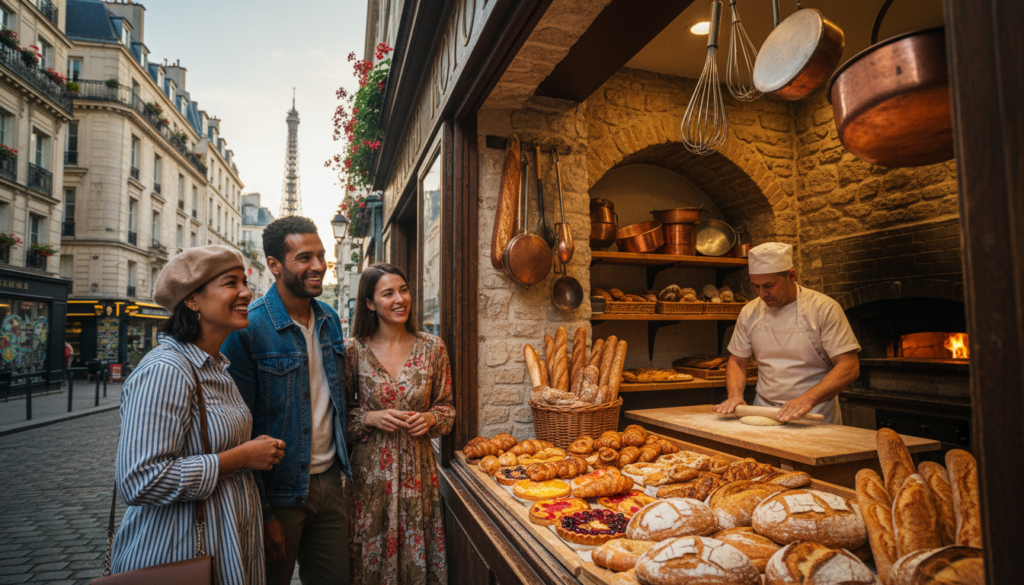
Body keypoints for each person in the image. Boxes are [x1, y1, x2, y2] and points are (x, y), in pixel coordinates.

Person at [111, 246, 284, 585]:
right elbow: (139, 479)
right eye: (230, 283)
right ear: (192, 300)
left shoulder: (216, 367)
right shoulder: (166, 369)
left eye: (245, 282)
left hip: (227, 539)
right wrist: (241, 457)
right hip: (180, 547)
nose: (246, 293)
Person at [221, 216, 352, 585]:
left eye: (322, 256)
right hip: (277, 492)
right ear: (274, 265)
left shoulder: (328, 318)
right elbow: (238, 430)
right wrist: (264, 515)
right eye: (304, 257)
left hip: (329, 482)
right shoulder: (249, 328)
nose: (318, 266)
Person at [343, 263, 454, 584]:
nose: (399, 299)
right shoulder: (353, 352)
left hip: (418, 477)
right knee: (368, 563)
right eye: (388, 293)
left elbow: (447, 409)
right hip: (369, 479)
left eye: (403, 290)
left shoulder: (434, 348)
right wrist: (369, 417)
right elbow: (337, 420)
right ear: (369, 303)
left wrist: (432, 418)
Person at [714, 242, 861, 424]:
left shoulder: (823, 309)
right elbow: (737, 361)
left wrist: (807, 399)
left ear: (792, 276)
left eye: (769, 285)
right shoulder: (749, 311)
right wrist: (735, 395)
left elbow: (849, 366)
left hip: (813, 412)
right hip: (763, 411)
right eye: (756, 286)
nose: (762, 294)